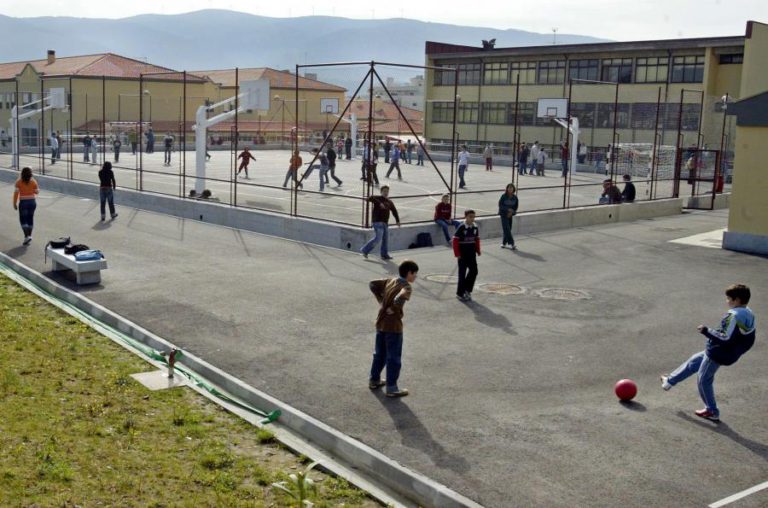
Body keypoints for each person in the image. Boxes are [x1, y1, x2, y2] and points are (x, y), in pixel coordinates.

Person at [661, 284, 756, 422]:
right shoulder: (749, 313)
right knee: (694, 361)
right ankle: (669, 381)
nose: (727, 301)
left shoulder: (733, 315)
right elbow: (749, 338)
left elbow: (724, 336)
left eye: (728, 298)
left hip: (718, 353)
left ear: (736, 300)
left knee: (703, 379)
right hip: (726, 352)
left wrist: (706, 330)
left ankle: (712, 411)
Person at [368, 259, 419, 398]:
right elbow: (401, 296)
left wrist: (381, 300)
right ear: (409, 273)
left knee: (379, 354)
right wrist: (394, 307)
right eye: (415, 274)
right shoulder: (407, 286)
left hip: (381, 322)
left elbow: (372, 284)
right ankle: (392, 387)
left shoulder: (390, 281)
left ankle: (374, 380)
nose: (415, 277)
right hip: (393, 326)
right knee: (393, 357)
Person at [360, 185, 400, 260]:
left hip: (385, 223)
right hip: (377, 222)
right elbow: (369, 198)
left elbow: (394, 211)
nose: (386, 193)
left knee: (385, 239)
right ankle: (365, 250)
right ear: (381, 192)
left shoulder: (389, 201)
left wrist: (397, 220)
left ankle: (384, 254)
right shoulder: (378, 198)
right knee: (378, 238)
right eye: (384, 191)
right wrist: (379, 203)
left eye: (387, 191)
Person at [453, 209, 481, 302]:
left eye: (473, 217)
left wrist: (478, 250)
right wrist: (457, 254)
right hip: (462, 254)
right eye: (470, 217)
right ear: (465, 217)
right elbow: (455, 240)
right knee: (462, 273)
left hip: (471, 253)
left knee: (474, 271)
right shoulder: (461, 227)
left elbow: (476, 239)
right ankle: (460, 293)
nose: (472, 219)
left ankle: (467, 289)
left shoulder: (475, 227)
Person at [13, 167, 39, 246]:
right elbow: (37, 191)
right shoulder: (33, 181)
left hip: (23, 203)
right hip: (32, 202)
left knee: (23, 220)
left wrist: (14, 203)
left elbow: (16, 194)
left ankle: (26, 236)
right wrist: (34, 190)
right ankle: (29, 236)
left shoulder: (18, 182)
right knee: (30, 218)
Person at [498, 183, 518, 250]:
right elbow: (500, 205)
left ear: (513, 189)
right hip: (503, 215)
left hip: (510, 215)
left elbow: (515, 207)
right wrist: (507, 210)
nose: (510, 189)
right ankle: (512, 244)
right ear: (507, 189)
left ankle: (503, 243)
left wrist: (512, 213)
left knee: (508, 229)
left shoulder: (515, 198)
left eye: (511, 188)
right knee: (506, 228)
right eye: (509, 188)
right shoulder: (503, 196)